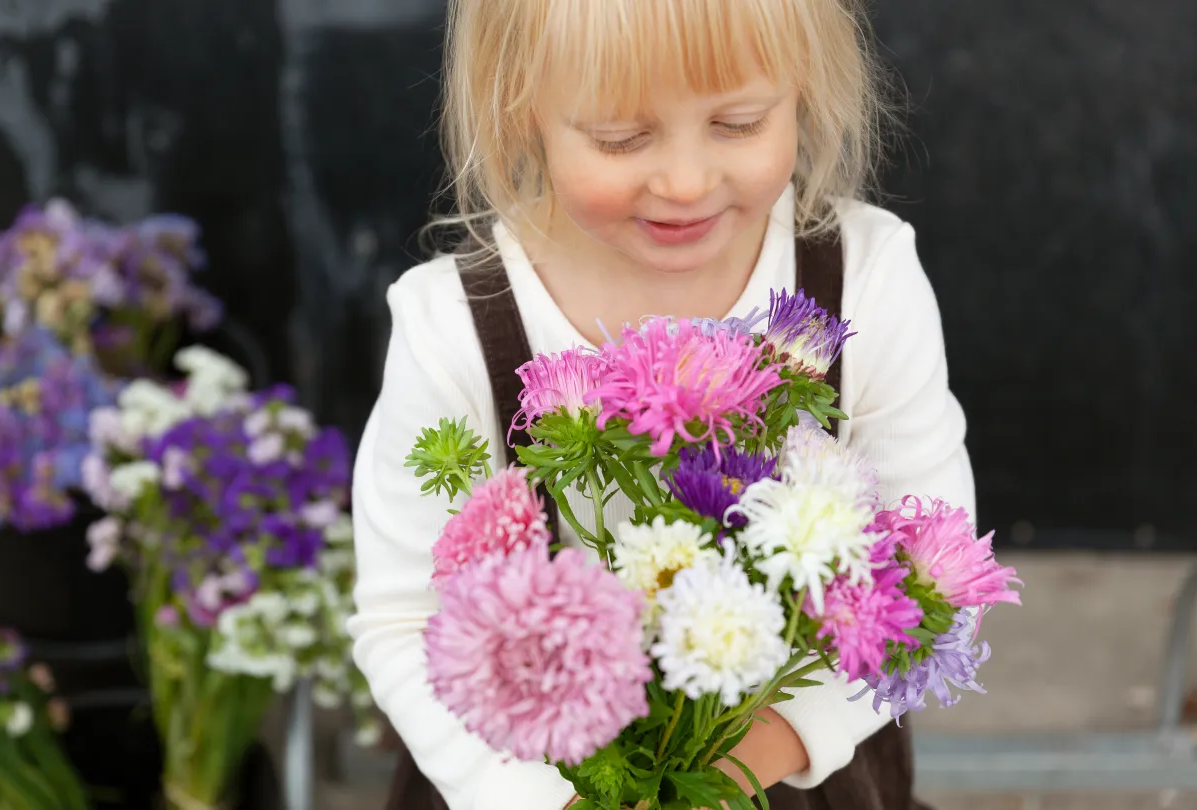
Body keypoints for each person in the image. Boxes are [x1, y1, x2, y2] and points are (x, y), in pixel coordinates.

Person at [347, 1, 974, 809]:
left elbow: (934, 579)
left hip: (794, 769)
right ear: (519, 106)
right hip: (525, 781)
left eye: (740, 123)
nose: (685, 181)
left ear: (805, 91)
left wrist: (740, 765)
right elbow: (402, 621)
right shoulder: (454, 327)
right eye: (621, 138)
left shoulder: (868, 282)